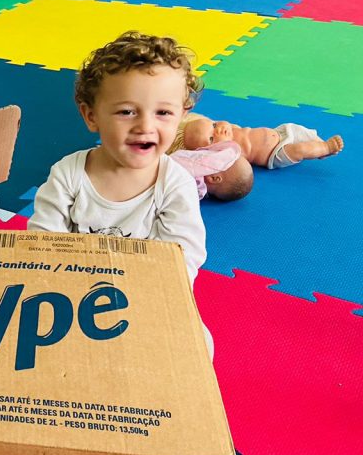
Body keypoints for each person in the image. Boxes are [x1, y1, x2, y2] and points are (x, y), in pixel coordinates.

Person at [27, 31, 207, 292]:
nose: (145, 126)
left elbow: (183, 256)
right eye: (127, 112)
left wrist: (157, 292)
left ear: (181, 115)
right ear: (91, 116)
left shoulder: (175, 184)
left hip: (143, 289)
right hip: (72, 286)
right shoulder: (68, 174)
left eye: (163, 112)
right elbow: (41, 241)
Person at [177, 114, 344, 171]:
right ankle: (325, 147)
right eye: (212, 138)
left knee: (299, 129)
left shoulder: (230, 129)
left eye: (213, 125)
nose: (218, 130)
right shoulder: (230, 151)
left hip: (280, 132)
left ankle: (320, 147)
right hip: (275, 154)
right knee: (299, 150)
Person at [170, 142, 255, 201]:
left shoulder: (194, 187)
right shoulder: (201, 160)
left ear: (214, 178)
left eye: (225, 158)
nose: (219, 153)